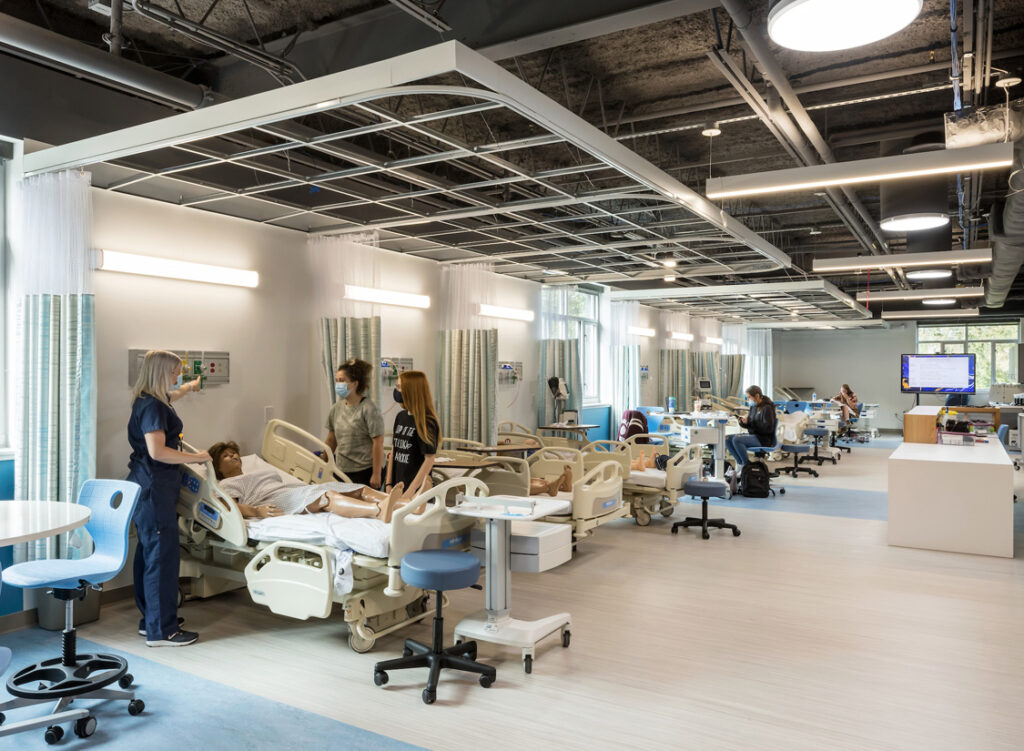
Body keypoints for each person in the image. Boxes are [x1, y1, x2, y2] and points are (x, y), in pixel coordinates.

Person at [127, 350, 209, 647]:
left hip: (145, 486)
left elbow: (173, 395)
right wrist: (196, 457)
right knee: (162, 558)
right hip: (154, 488)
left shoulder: (148, 399)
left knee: (148, 555)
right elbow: (158, 451)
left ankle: (150, 619)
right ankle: (163, 631)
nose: (177, 376)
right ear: (161, 373)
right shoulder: (153, 407)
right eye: (174, 372)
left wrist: (190, 387)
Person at [207, 441, 420, 522]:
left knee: (358, 489)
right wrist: (256, 511)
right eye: (226, 456)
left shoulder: (261, 471)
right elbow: (228, 505)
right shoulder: (226, 485)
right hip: (278, 501)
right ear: (218, 469)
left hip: (298, 490)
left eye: (234, 453)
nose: (233, 456)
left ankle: (410, 504)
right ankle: (378, 511)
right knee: (328, 497)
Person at [325, 359, 385, 488]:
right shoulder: (336, 408)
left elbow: (378, 443)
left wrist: (376, 474)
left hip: (364, 471)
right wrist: (322, 463)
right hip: (341, 470)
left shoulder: (369, 409)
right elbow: (331, 440)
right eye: (336, 380)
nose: (338, 384)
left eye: (342, 380)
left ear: (355, 383)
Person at [386, 371, 441, 498]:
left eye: (399, 387)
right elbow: (394, 451)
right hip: (396, 486)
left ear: (411, 390)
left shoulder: (427, 422)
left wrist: (411, 490)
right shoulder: (401, 417)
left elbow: (429, 460)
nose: (396, 390)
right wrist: (388, 483)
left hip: (416, 492)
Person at [724, 385, 778, 469]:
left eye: (749, 397)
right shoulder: (753, 407)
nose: (747, 400)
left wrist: (751, 422)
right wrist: (742, 422)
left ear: (757, 396)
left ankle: (746, 465)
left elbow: (768, 429)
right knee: (727, 438)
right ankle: (740, 463)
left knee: (737, 439)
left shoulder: (767, 408)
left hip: (763, 438)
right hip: (754, 435)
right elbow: (750, 425)